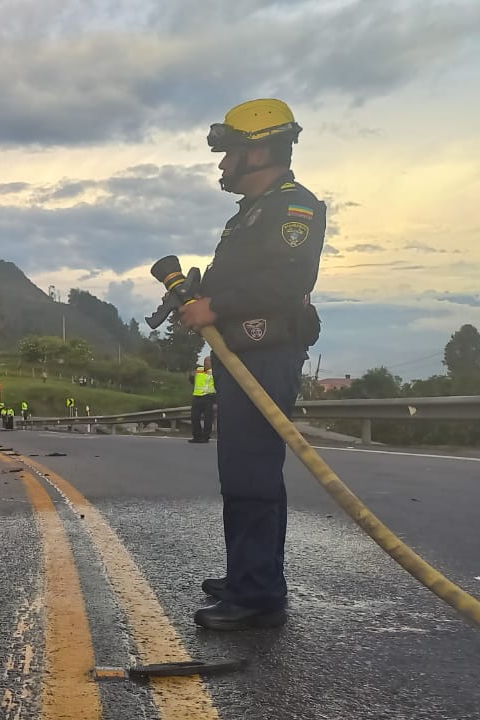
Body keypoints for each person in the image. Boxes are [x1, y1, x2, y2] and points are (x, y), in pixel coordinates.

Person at [179, 98, 325, 631]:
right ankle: (250, 572)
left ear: (260, 149)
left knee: (251, 470)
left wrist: (214, 307)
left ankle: (258, 594)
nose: (222, 165)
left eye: (230, 154)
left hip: (266, 354)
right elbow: (245, 279)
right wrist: (202, 293)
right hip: (240, 353)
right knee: (241, 469)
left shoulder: (294, 207)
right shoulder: (249, 214)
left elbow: (288, 281)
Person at [189, 356, 216, 443]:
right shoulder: (199, 369)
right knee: (194, 418)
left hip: (209, 397)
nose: (206, 363)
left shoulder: (215, 372)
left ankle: (205, 437)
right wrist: (191, 376)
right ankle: (196, 437)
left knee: (207, 419)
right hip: (197, 396)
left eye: (208, 361)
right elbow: (193, 380)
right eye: (205, 361)